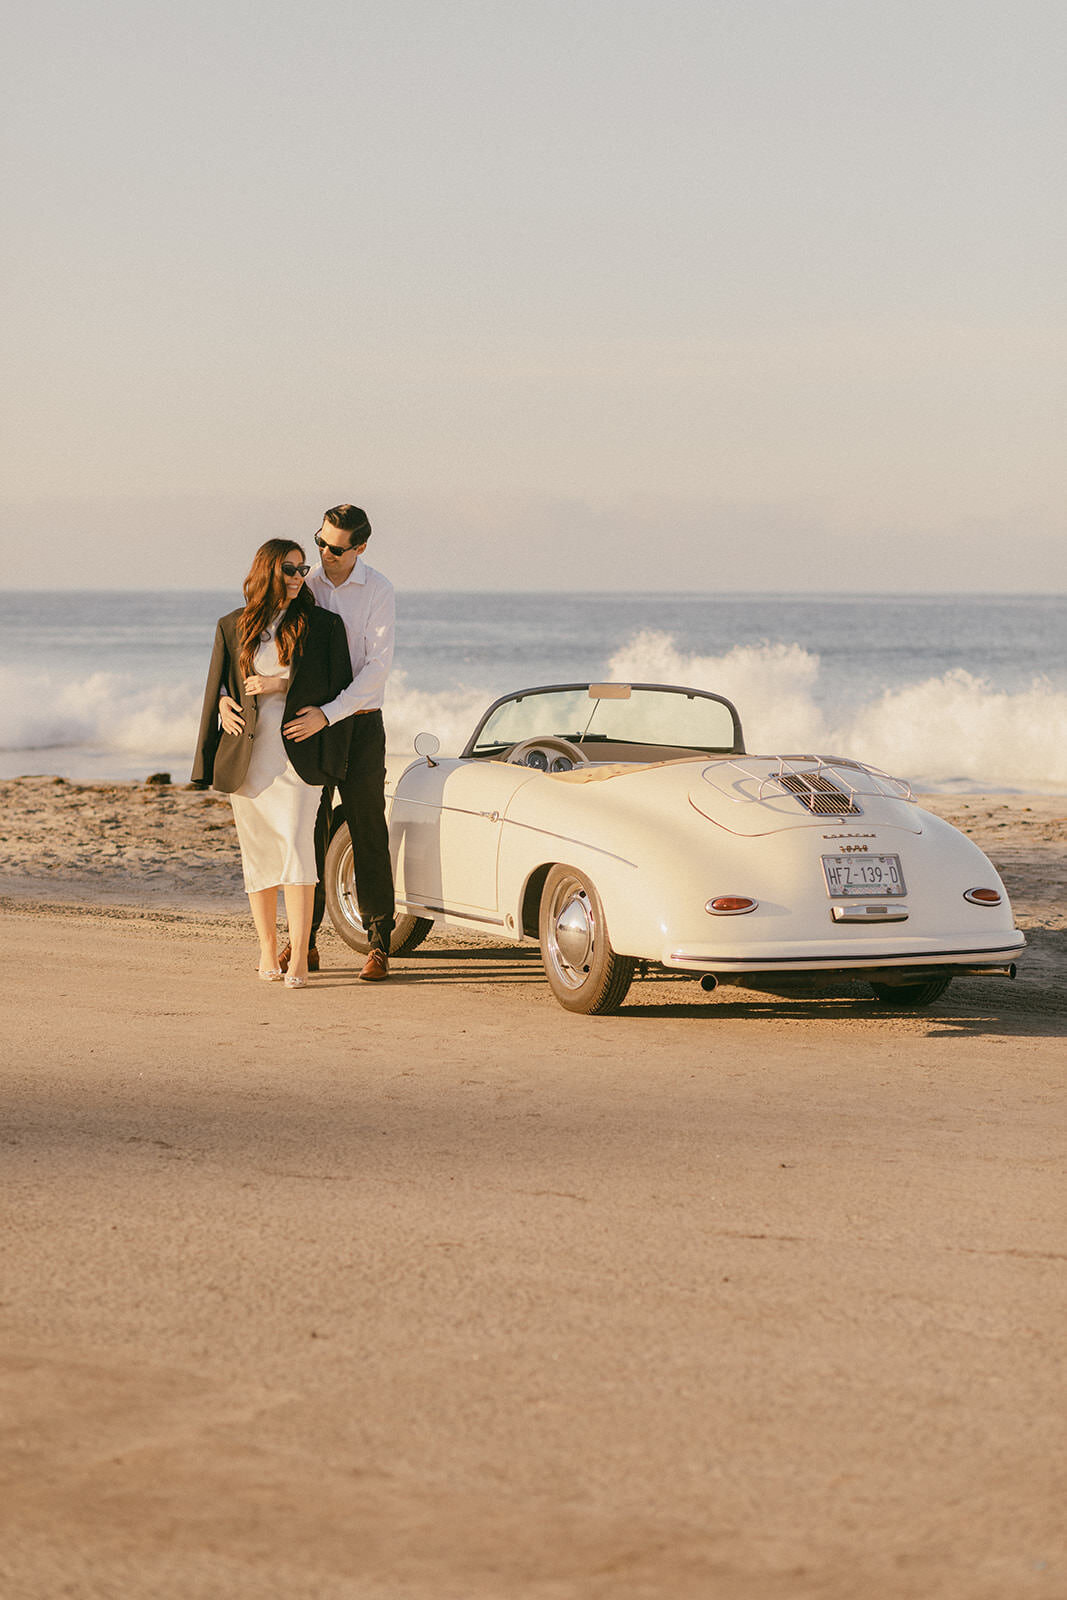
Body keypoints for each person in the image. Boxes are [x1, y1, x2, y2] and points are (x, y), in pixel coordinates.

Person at [219, 504, 397, 981]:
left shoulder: (378, 590)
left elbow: (376, 670)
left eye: (335, 548)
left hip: (356, 723)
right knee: (308, 832)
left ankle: (379, 943)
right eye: (320, 541)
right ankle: (307, 944)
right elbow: (254, 647)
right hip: (302, 726)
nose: (323, 554)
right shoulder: (304, 579)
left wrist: (329, 712)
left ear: (359, 547)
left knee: (366, 829)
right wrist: (226, 697)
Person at [192, 540, 352, 986]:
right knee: (259, 857)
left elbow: (337, 684)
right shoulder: (232, 625)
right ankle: (266, 949)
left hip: (298, 761)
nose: (299, 575)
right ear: (267, 570)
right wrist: (224, 703)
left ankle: (299, 954)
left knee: (300, 851)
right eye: (289, 568)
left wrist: (281, 683)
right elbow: (220, 684)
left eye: (303, 568)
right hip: (249, 760)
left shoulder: (323, 625)